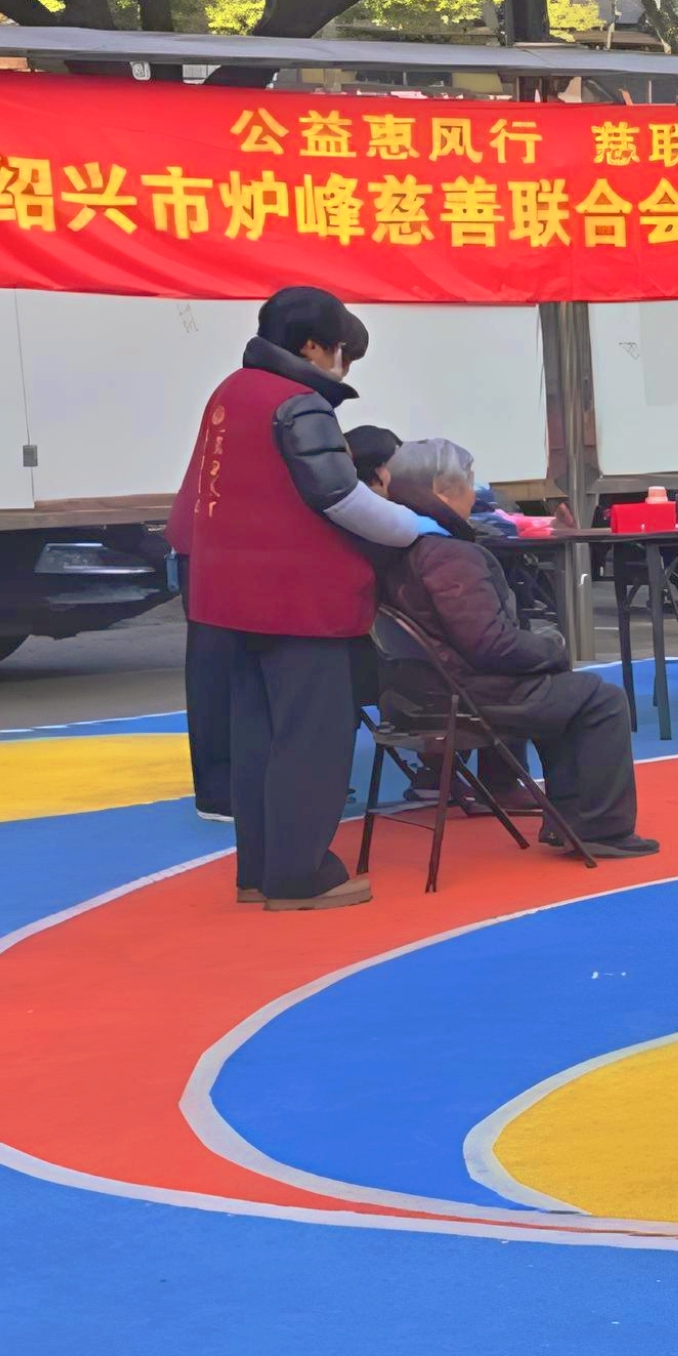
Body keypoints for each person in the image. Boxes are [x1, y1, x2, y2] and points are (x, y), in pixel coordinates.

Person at [168, 286, 432, 909]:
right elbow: (340, 497)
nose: (342, 367)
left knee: (256, 738)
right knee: (311, 737)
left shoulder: (231, 392)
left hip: (227, 600)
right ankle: (300, 875)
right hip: (298, 603)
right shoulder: (298, 404)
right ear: (313, 346)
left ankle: (258, 872)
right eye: (342, 353)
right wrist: (419, 526)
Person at [369, 440, 655, 858]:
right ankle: (600, 828)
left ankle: (571, 822)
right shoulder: (448, 554)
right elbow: (490, 644)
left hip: (417, 694)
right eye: (470, 483)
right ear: (443, 488)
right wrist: (550, 649)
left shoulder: (393, 544)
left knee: (566, 693)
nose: (475, 495)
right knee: (602, 699)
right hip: (467, 693)